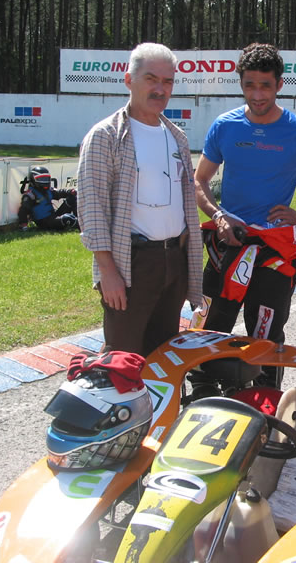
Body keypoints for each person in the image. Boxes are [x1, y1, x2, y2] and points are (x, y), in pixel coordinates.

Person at [192, 43, 296, 393]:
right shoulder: (225, 126)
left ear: (280, 84)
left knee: (265, 333)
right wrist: (218, 217)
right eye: (250, 85)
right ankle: (202, 398)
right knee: (210, 327)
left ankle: (265, 405)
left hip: (275, 249)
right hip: (229, 240)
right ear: (241, 84)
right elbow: (199, 180)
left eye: (265, 85)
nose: (257, 94)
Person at [77, 42, 203, 357]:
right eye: (151, 79)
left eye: (168, 81)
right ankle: (119, 409)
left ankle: (161, 409)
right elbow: (92, 209)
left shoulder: (177, 137)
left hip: (173, 260)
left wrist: (187, 270)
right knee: (123, 360)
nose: (160, 88)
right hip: (131, 264)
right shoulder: (105, 136)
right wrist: (107, 270)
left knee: (163, 360)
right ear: (128, 80)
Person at [18, 165, 78, 230]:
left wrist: (70, 191)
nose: (45, 181)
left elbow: (59, 192)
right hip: (44, 222)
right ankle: (83, 226)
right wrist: (24, 226)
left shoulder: (48, 190)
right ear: (33, 180)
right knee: (67, 218)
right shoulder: (30, 195)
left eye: (46, 179)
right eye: (42, 179)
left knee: (72, 197)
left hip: (53, 216)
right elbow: (22, 211)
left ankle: (80, 219)